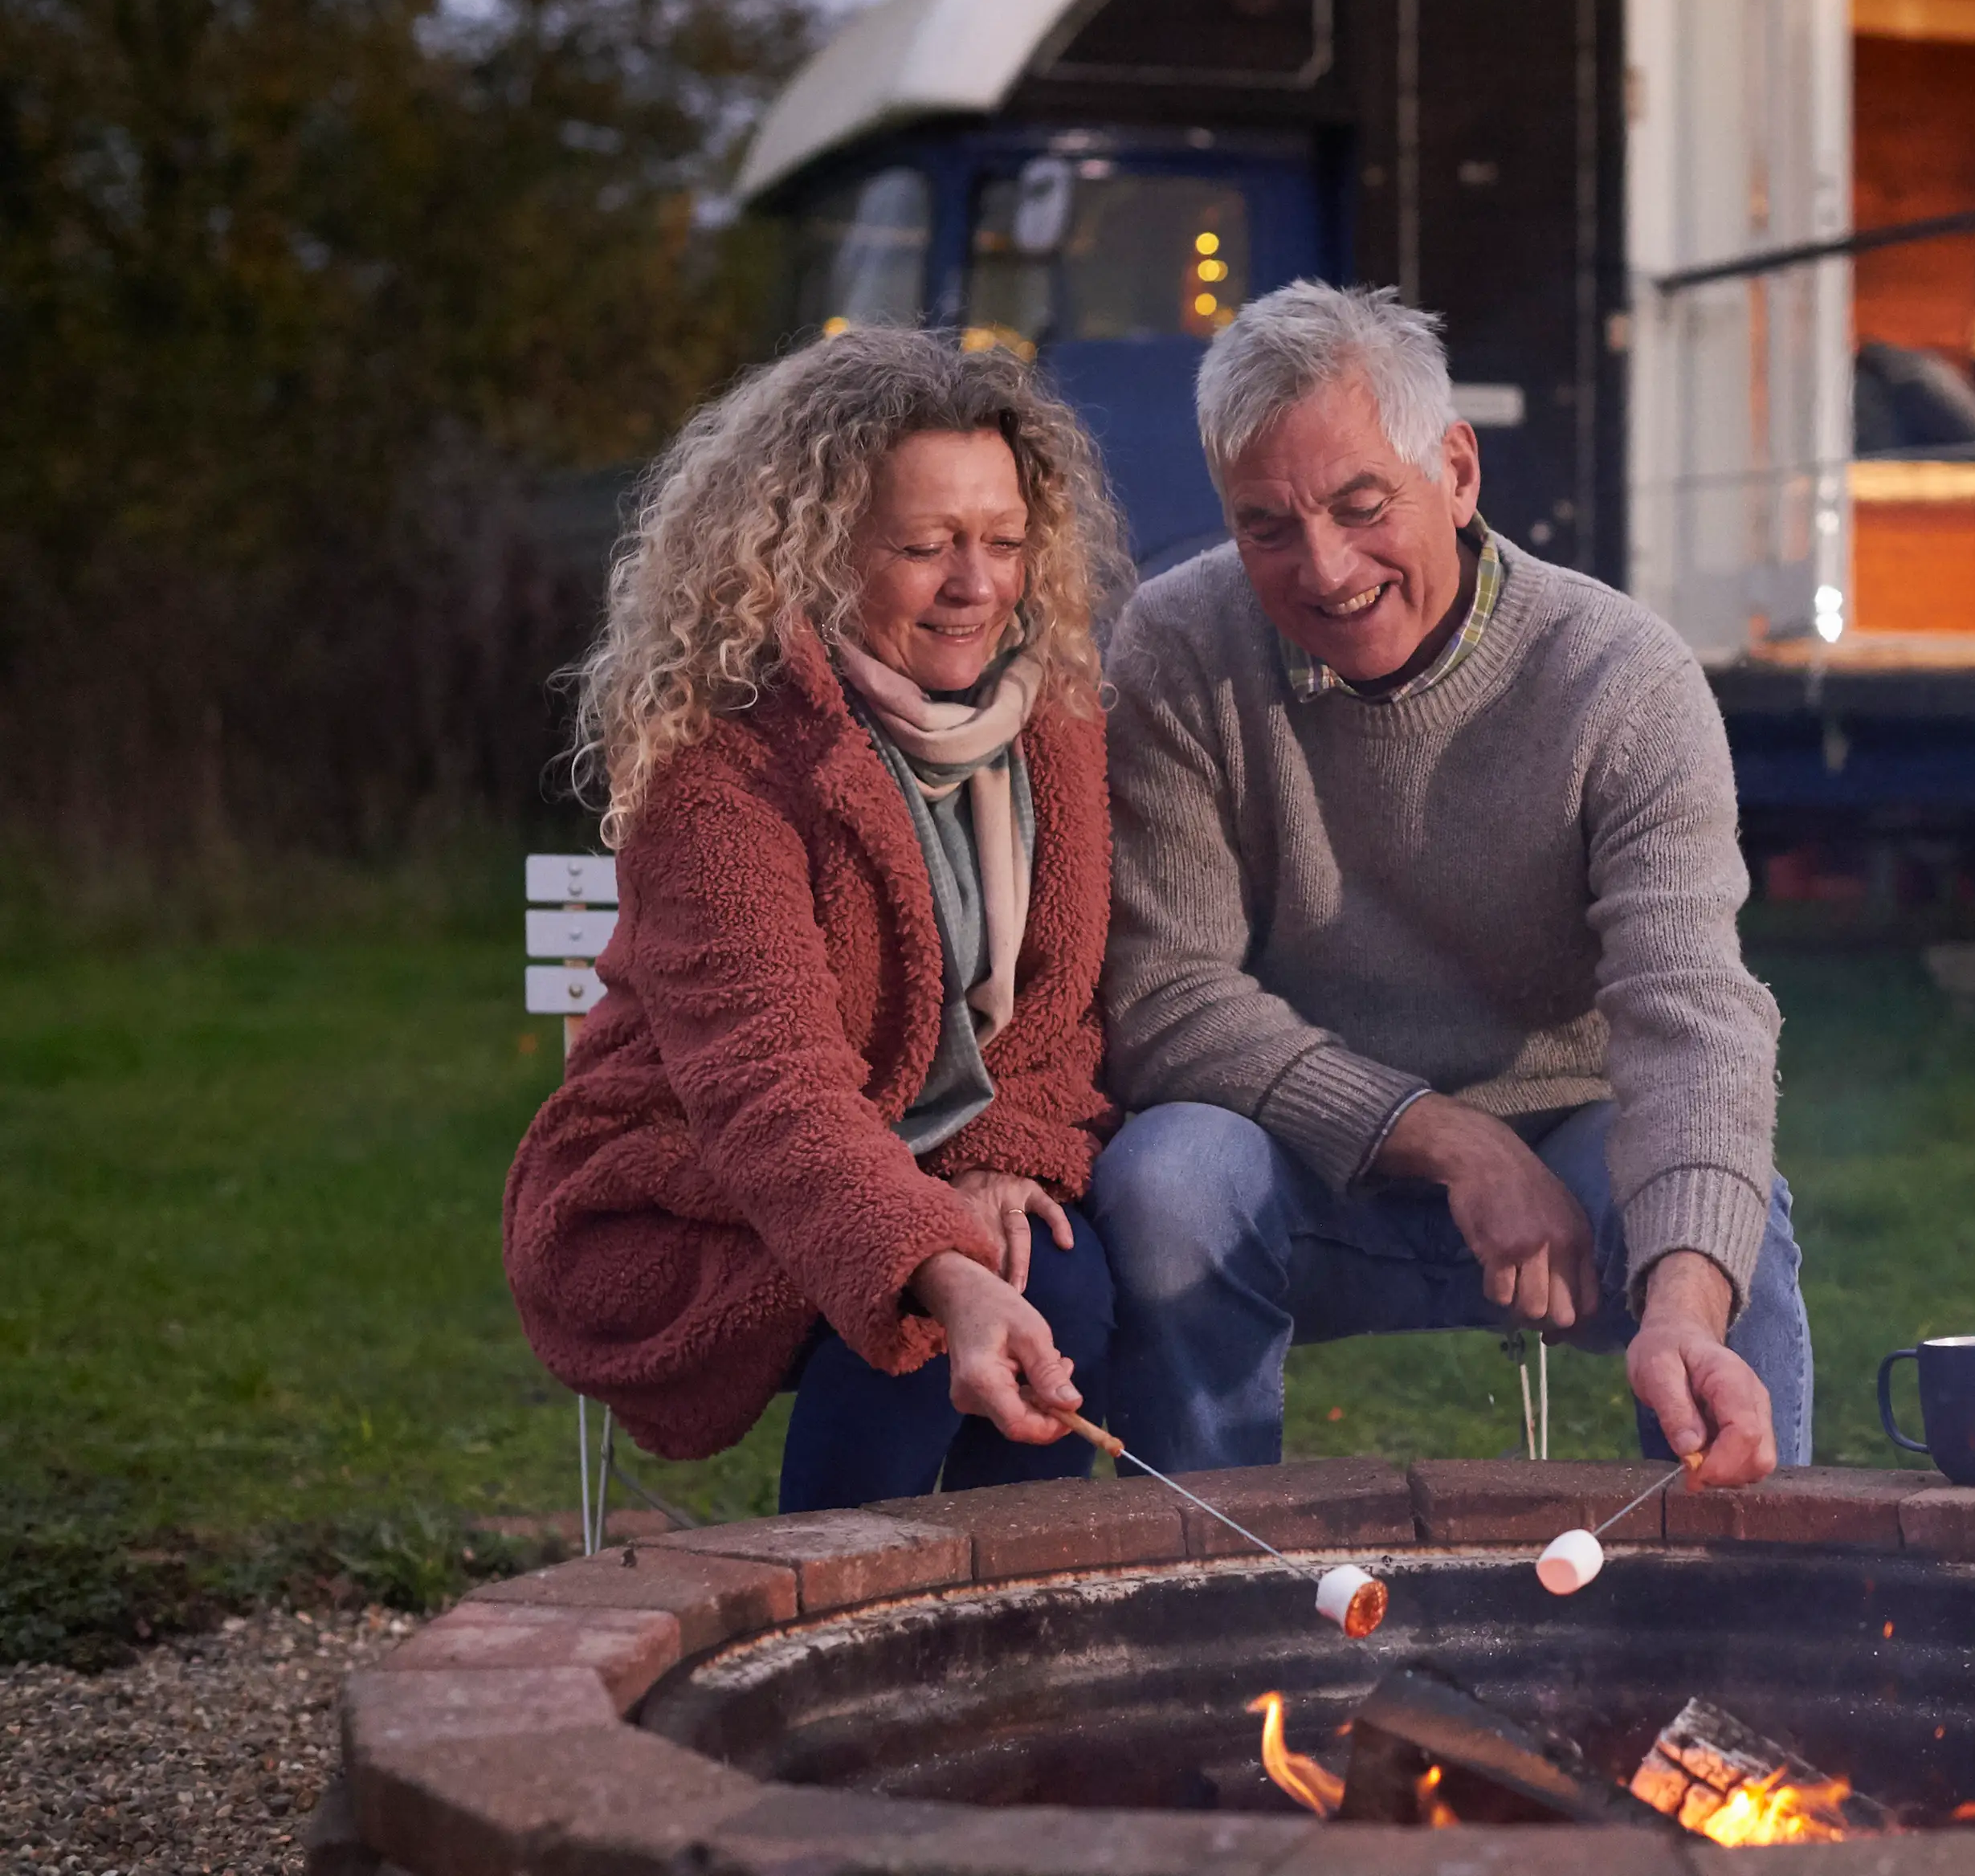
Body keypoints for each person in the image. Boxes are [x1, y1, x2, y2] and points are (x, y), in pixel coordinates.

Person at [1092, 282, 1811, 1486]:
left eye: (1362, 507)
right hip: (1301, 1166)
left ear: (1459, 472)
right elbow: (1164, 998)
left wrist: (1682, 1301)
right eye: (1265, 526)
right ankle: (1211, 1593)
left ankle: (1751, 1629)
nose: (1324, 569)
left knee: (1735, 1226)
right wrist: (1447, 1142)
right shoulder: (1176, 649)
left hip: (1578, 1155)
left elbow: (1691, 1010)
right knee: (1166, 1179)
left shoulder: (1621, 679)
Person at [504, 327, 1131, 1509]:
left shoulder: (1052, 714)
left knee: (1065, 1285)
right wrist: (934, 1258)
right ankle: (840, 1624)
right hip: (702, 1180)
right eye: (925, 546)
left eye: (1003, 542)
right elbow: (766, 1083)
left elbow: (1057, 1003)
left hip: (930, 1159)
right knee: (914, 1319)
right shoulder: (725, 757)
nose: (977, 584)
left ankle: (1013, 1648)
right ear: (818, 549)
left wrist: (998, 1158)